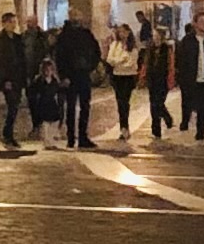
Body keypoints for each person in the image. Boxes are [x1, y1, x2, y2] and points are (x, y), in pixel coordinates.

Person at [51, 10, 102, 149]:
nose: (77, 18)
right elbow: (60, 57)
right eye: (75, 16)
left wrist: (91, 67)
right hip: (70, 76)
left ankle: (83, 136)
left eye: (79, 16)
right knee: (71, 107)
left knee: (85, 106)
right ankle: (71, 137)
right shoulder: (64, 36)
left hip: (84, 74)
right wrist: (64, 76)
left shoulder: (86, 34)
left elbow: (96, 52)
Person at [0, 13, 36, 148]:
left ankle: (8, 135)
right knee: (12, 106)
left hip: (18, 78)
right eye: (11, 22)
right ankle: (7, 135)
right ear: (4, 23)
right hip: (8, 79)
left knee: (15, 106)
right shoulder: (0, 39)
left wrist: (25, 76)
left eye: (14, 22)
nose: (13, 25)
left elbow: (22, 59)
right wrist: (5, 79)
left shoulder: (18, 39)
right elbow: (1, 61)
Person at [102, 20, 140, 147]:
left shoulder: (132, 47)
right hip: (117, 77)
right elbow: (110, 60)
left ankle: (125, 127)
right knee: (120, 102)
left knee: (125, 101)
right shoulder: (115, 45)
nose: (122, 34)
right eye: (120, 32)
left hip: (128, 77)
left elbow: (131, 63)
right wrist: (122, 60)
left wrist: (119, 62)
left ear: (128, 32)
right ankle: (123, 127)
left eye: (124, 32)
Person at [141, 20, 177, 142]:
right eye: (153, 35)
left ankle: (167, 118)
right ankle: (156, 130)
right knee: (153, 104)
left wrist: (171, 79)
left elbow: (170, 64)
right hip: (152, 79)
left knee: (159, 103)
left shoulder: (167, 49)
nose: (154, 38)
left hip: (163, 79)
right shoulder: (150, 49)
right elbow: (146, 63)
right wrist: (143, 76)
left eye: (156, 35)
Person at [175, 19, 204, 140]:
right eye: (201, 22)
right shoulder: (187, 41)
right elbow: (181, 60)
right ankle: (185, 121)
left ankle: (201, 131)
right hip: (191, 79)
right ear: (195, 24)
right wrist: (181, 78)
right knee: (188, 102)